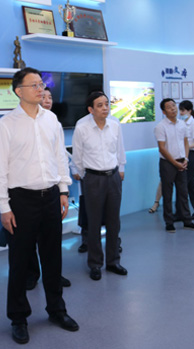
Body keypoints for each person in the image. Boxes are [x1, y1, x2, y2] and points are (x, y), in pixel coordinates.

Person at [0, 68, 78, 344]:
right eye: (34, 85)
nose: (41, 89)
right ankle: (18, 318)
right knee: (19, 262)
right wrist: (4, 207)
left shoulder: (51, 119)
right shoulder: (6, 124)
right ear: (19, 91)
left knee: (53, 257)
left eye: (41, 84)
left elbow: (60, 157)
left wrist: (63, 190)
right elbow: (0, 168)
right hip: (21, 200)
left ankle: (57, 310)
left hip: (51, 196)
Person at [72, 90, 127, 281]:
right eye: (100, 105)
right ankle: (95, 264)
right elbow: (77, 157)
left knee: (114, 221)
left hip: (113, 177)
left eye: (106, 104)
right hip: (93, 179)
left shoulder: (115, 125)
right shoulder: (82, 128)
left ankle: (113, 262)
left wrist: (121, 169)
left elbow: (120, 150)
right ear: (91, 109)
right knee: (94, 223)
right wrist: (85, 175)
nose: (105, 108)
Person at [25, 87, 71, 290]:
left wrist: (63, 190)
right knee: (29, 239)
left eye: (50, 97)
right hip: (27, 193)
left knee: (52, 240)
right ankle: (32, 274)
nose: (47, 100)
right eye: (43, 96)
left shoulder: (54, 122)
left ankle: (54, 276)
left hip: (51, 191)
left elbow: (60, 157)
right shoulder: (19, 122)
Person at [154, 98, 194, 233]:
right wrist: (174, 163)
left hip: (182, 161)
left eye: (174, 105)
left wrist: (185, 158)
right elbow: (162, 148)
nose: (173, 109)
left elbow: (185, 142)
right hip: (167, 163)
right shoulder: (160, 127)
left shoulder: (182, 124)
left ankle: (187, 220)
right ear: (164, 111)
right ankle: (169, 222)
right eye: (169, 107)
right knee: (167, 193)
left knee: (183, 192)